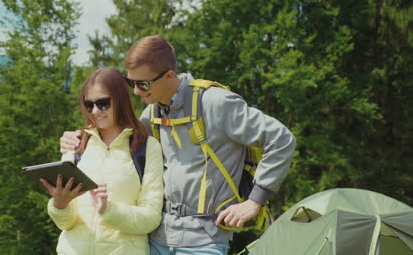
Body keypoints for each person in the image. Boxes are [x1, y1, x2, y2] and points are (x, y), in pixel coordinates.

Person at [60, 35, 296, 254]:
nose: (135, 91)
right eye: (130, 82)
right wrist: (78, 137)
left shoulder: (216, 103)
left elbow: (281, 139)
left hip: (205, 239)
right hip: (158, 239)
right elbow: (116, 135)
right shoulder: (151, 114)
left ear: (169, 76)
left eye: (142, 84)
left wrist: (255, 202)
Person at [41, 67, 164, 255]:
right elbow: (65, 224)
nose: (95, 111)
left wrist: (109, 210)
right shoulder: (76, 144)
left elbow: (151, 218)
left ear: (120, 100)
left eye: (103, 103)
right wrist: (60, 205)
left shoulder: (146, 148)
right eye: (89, 104)